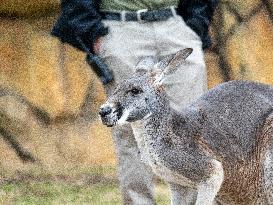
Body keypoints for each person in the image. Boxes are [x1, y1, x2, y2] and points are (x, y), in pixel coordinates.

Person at [51, 0, 218, 204]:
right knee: (129, 130)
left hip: (176, 26)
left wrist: (195, 25)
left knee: (191, 127)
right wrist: (94, 34)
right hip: (121, 28)